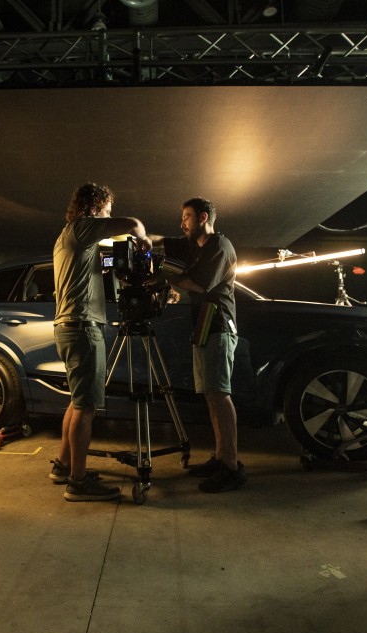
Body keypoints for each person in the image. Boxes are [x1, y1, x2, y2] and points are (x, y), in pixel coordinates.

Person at [52, 182, 150, 502]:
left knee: (77, 401)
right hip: (83, 328)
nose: (108, 217)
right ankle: (78, 483)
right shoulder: (83, 227)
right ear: (94, 208)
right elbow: (132, 223)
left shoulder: (69, 236)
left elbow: (94, 269)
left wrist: (112, 269)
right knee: (87, 406)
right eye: (106, 211)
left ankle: (64, 466)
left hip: (70, 327)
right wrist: (144, 240)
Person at [148, 197, 246, 493]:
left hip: (219, 327)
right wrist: (140, 239)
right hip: (204, 327)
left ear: (203, 217)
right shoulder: (195, 245)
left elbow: (199, 285)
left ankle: (231, 467)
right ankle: (220, 458)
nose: (182, 223)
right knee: (211, 396)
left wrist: (163, 273)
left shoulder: (219, 246)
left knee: (220, 394)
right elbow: (162, 241)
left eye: (187, 217)